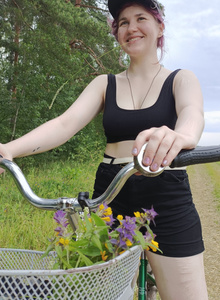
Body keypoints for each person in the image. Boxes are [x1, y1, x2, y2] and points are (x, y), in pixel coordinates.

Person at [0, 0, 208, 299]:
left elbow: (193, 113)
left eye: (141, 18)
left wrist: (181, 136)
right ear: (116, 33)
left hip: (167, 192)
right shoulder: (104, 84)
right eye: (123, 22)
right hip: (111, 190)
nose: (131, 27)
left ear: (160, 26)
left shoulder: (181, 78)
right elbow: (64, 124)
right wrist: (8, 149)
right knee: (104, 292)